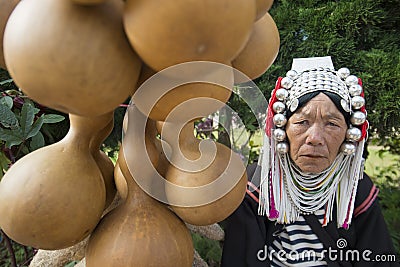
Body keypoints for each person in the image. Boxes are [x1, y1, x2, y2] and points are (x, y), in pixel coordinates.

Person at [221, 57, 400, 267]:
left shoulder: (356, 190)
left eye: (332, 124)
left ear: (348, 134)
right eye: (302, 122)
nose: (315, 137)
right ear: (282, 130)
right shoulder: (256, 187)